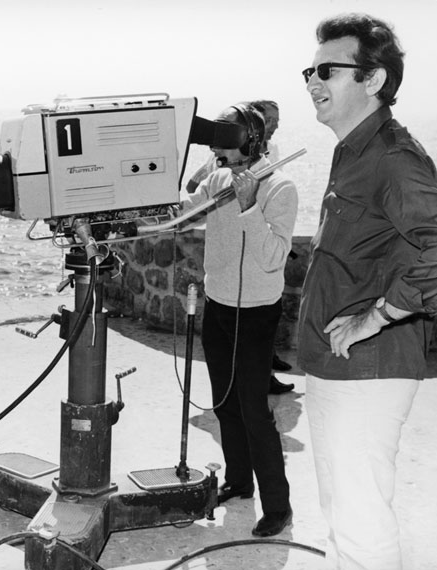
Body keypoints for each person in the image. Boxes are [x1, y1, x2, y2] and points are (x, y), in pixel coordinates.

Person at [298, 14, 437, 569]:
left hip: (368, 369)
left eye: (328, 69)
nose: (312, 81)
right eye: (310, 69)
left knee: (362, 521)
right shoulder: (351, 149)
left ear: (373, 80)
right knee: (341, 508)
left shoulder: (392, 158)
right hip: (337, 366)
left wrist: (374, 318)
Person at [181, 102, 297, 537]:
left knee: (253, 410)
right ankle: (238, 480)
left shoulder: (280, 187)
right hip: (219, 303)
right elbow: (182, 212)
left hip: (256, 312)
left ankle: (279, 506)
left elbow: (272, 258)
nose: (216, 151)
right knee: (225, 404)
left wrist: (250, 207)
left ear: (250, 141)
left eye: (225, 143)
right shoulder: (217, 179)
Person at [249, 99, 295, 394]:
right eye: (271, 120)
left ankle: (268, 367)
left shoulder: (273, 152)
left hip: (267, 241)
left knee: (270, 315)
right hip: (249, 245)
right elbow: (194, 186)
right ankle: (260, 377)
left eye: (278, 120)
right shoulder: (233, 156)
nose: (276, 125)